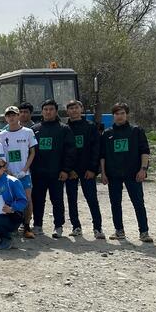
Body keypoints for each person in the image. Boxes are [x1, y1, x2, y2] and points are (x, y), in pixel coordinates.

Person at [100, 103, 153, 242]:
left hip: (133, 173)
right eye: (117, 114)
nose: (120, 116)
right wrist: (103, 173)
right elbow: (102, 155)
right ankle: (119, 231)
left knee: (138, 203)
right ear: (113, 116)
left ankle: (144, 232)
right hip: (113, 175)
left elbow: (145, 151)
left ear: (127, 114)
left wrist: (143, 169)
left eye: (122, 113)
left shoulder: (136, 131)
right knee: (115, 204)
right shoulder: (107, 133)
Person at [30, 99, 76, 238]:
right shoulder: (34, 129)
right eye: (45, 109)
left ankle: (58, 226)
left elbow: (70, 151)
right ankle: (37, 225)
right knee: (38, 200)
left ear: (56, 111)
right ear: (42, 112)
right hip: (38, 173)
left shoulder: (64, 129)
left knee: (57, 200)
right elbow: (29, 151)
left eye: (51, 109)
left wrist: (65, 170)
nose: (48, 112)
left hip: (57, 172)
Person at [0, 106, 37, 239]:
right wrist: (7, 171)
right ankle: (12, 225)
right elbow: (1, 156)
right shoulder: (1, 135)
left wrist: (24, 170)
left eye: (13, 115)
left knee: (27, 200)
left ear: (18, 115)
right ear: (5, 118)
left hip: (24, 174)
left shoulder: (28, 132)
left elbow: (32, 152)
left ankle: (27, 226)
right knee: (8, 200)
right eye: (8, 115)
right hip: (7, 174)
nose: (11, 117)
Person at [65, 100, 104, 239]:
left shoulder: (90, 126)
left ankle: (97, 228)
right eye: (71, 108)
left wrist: (93, 169)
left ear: (81, 109)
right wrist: (69, 169)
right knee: (72, 199)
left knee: (92, 199)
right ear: (67, 111)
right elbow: (63, 151)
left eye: (76, 107)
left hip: (88, 170)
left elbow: (96, 149)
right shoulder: (64, 128)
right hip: (71, 171)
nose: (74, 110)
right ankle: (76, 227)